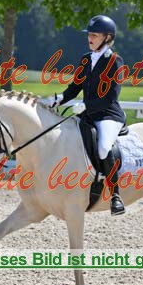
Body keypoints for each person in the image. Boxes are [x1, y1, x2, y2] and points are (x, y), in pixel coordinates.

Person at [52, 14, 126, 216]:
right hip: (87, 114)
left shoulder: (114, 61)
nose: (90, 38)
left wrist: (86, 105)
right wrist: (58, 99)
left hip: (108, 115)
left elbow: (110, 97)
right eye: (89, 35)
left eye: (94, 35)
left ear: (107, 38)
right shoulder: (86, 59)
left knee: (103, 148)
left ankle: (115, 195)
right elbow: (74, 87)